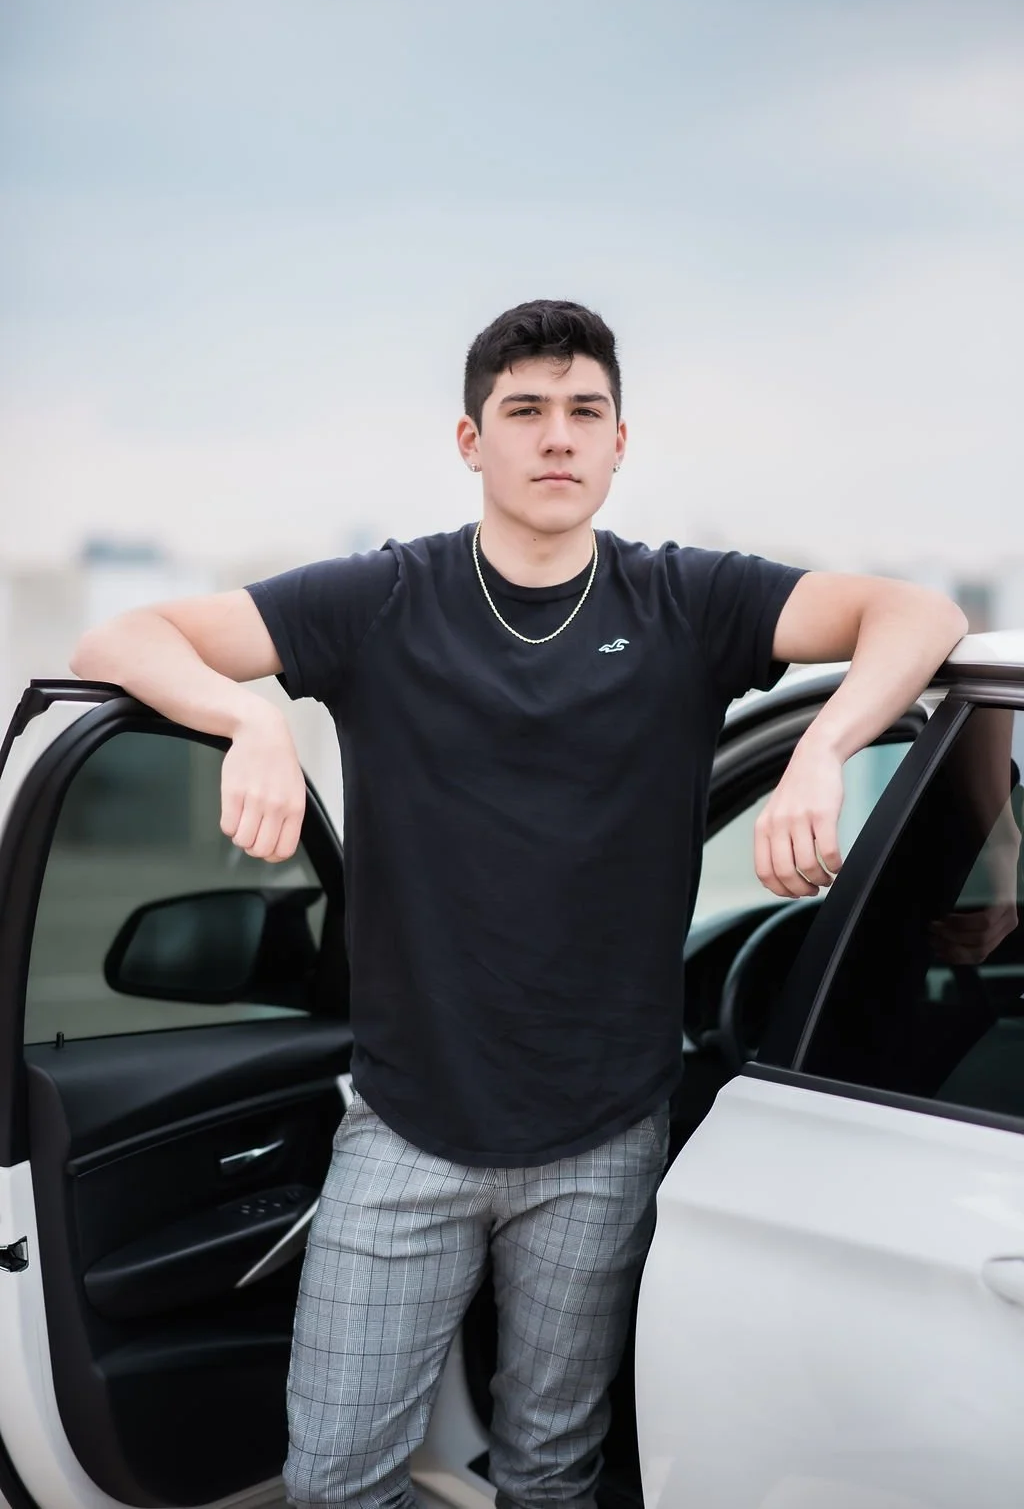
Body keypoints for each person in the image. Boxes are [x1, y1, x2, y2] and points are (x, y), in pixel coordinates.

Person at [70, 299, 968, 1509]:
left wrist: (824, 749)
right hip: (406, 1126)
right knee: (336, 1479)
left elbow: (919, 615)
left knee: (551, 1474)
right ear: (469, 440)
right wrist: (250, 715)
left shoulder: (684, 603)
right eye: (526, 411)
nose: (557, 437)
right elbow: (123, 632)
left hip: (602, 1137)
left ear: (618, 443)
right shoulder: (382, 600)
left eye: (583, 412)